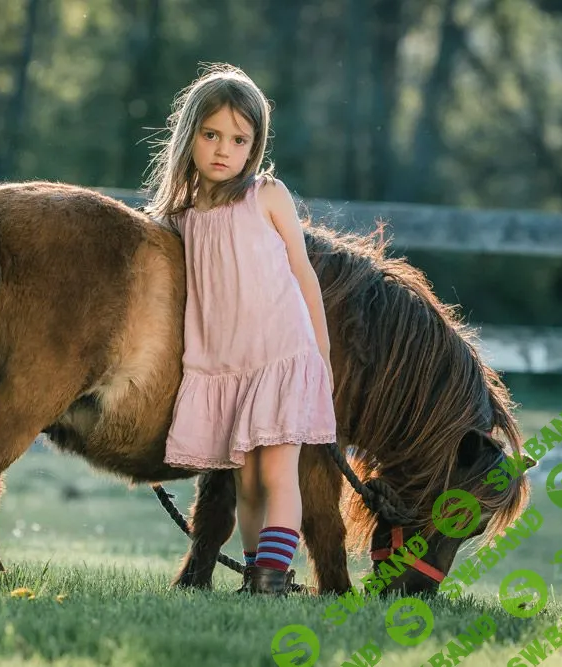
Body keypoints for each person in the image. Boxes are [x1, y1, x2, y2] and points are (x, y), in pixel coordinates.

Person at [142, 63, 336, 596]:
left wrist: (320, 353)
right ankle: (256, 572)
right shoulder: (182, 214)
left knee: (278, 476)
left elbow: (303, 273)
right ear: (189, 136)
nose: (222, 150)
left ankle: (271, 581)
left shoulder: (267, 195)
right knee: (246, 485)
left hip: (281, 355)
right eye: (211, 135)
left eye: (238, 139)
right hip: (228, 364)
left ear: (254, 146)